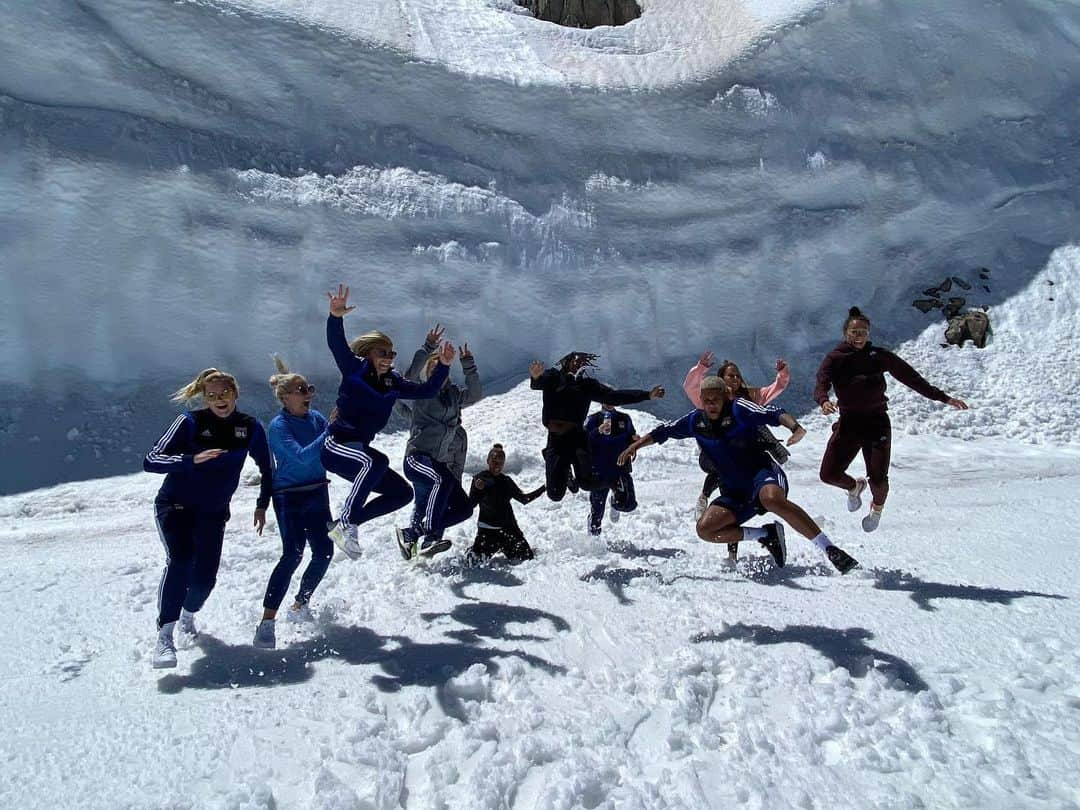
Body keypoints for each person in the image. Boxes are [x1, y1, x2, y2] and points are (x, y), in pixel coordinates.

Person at [618, 375, 858, 574]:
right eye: (707, 400)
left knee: (771, 500)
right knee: (705, 530)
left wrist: (795, 427)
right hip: (734, 491)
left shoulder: (739, 409)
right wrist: (633, 447)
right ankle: (766, 534)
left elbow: (774, 412)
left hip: (762, 476)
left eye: (716, 399)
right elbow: (664, 431)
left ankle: (829, 549)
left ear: (725, 398)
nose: (711, 404)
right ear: (701, 400)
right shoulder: (695, 421)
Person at [143, 368, 273, 669]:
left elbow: (268, 467)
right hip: (175, 505)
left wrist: (262, 504)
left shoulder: (249, 427)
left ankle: (188, 615)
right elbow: (152, 460)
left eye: (224, 393)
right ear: (204, 398)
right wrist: (190, 460)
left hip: (213, 513)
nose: (219, 400)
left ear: (235, 393)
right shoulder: (189, 423)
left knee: (205, 580)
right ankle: (165, 635)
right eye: (211, 396)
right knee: (181, 559)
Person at [321, 284, 454, 559]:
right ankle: (346, 522)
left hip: (359, 453)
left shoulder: (393, 382)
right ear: (369, 353)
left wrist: (443, 365)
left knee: (401, 493)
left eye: (392, 354)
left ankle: (347, 524)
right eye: (383, 353)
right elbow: (337, 345)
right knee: (376, 461)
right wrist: (335, 317)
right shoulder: (355, 369)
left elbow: (426, 391)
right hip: (337, 446)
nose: (388, 358)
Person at [815, 306, 969, 532]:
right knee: (828, 474)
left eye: (864, 332)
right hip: (849, 423)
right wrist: (823, 401)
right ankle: (854, 486)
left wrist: (943, 398)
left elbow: (912, 379)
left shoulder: (878, 356)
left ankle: (876, 509)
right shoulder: (835, 358)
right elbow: (821, 383)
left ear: (869, 333)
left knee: (878, 480)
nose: (859, 337)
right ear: (845, 333)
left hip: (877, 423)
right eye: (855, 332)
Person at [252, 358, 332, 650]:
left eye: (309, 388)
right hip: (289, 496)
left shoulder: (317, 418)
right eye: (301, 389)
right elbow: (302, 456)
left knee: (324, 552)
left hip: (318, 492)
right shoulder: (278, 426)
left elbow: (333, 445)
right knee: (293, 554)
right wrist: (330, 431)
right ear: (285, 397)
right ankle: (267, 623)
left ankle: (300, 604)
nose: (308, 393)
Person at [684, 351, 791, 562]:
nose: (733, 379)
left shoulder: (750, 397)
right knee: (728, 498)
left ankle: (746, 543)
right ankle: (731, 550)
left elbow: (775, 389)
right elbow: (690, 387)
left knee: (738, 503)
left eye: (736, 376)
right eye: (729, 376)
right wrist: (700, 369)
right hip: (719, 459)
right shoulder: (711, 398)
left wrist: (782, 374)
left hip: (748, 460)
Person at [394, 324, 482, 560]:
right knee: (438, 486)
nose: (437, 372)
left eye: (441, 367)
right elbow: (406, 379)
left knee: (462, 508)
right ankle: (430, 537)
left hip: (439, 461)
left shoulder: (454, 395)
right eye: (433, 368)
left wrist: (468, 364)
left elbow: (474, 395)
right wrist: (428, 347)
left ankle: (412, 535)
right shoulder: (422, 392)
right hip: (418, 457)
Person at [529, 351, 664, 502]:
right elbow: (538, 383)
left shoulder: (587, 385)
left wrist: (647, 395)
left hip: (577, 437)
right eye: (575, 360)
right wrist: (535, 377)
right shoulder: (553, 377)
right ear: (566, 361)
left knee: (587, 483)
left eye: (582, 362)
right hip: (556, 440)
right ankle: (563, 471)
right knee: (555, 494)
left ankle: (615, 482)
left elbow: (614, 396)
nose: (578, 364)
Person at [465, 444, 546, 564]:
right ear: (488, 461)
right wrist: (477, 490)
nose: (497, 465)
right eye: (494, 461)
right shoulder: (480, 479)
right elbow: (471, 505)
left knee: (527, 558)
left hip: (508, 531)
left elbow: (524, 499)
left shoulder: (506, 481)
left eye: (501, 462)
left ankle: (504, 547)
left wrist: (544, 488)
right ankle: (472, 550)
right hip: (487, 532)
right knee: (473, 562)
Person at [584, 403, 638, 536]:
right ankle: (594, 536)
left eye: (612, 398)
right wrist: (598, 431)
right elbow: (583, 441)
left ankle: (615, 503)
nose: (609, 402)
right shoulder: (593, 419)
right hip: (599, 470)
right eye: (606, 399)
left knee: (629, 503)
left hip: (620, 468)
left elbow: (631, 437)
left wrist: (634, 443)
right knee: (597, 509)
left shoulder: (624, 419)